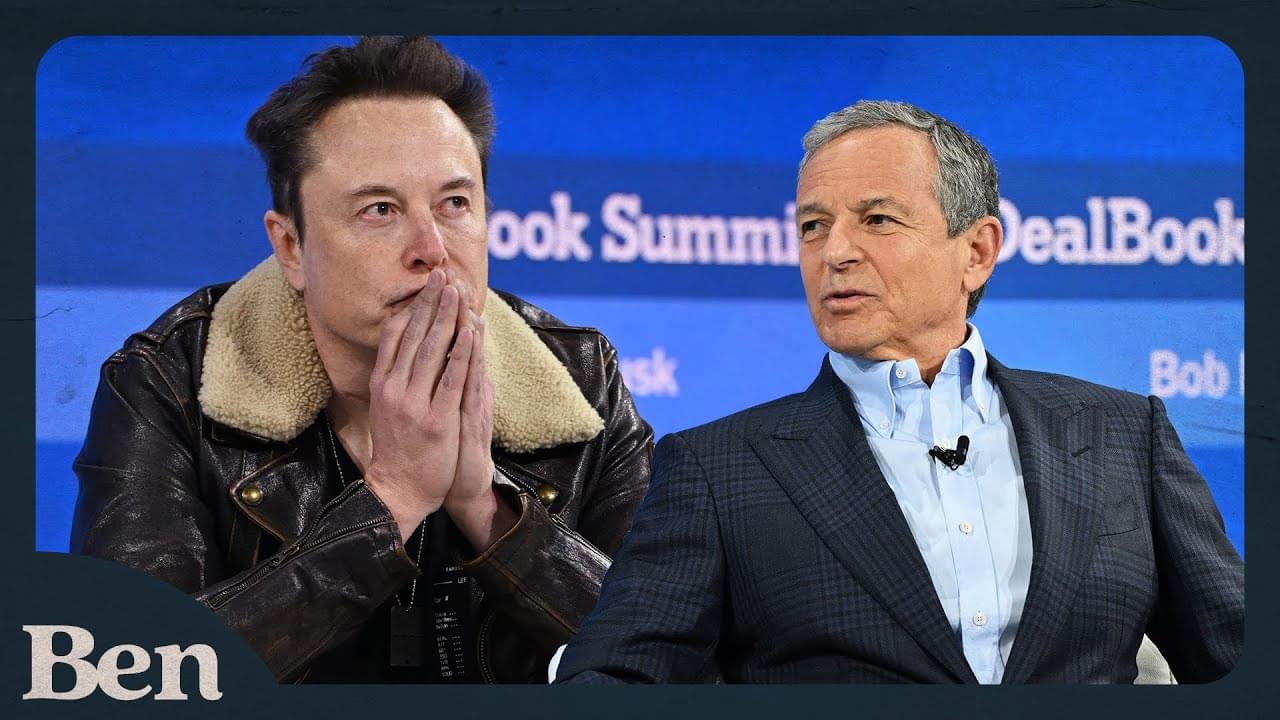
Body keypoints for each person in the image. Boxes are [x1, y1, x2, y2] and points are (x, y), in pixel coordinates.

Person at [554, 100, 1243, 684]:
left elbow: (1242, 665)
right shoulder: (718, 468)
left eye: (877, 219)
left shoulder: (1124, 434)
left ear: (977, 251)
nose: (835, 253)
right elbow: (613, 680)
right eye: (812, 226)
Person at [70, 36, 652, 684]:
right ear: (291, 247)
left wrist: (489, 512)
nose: (431, 248)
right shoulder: (168, 381)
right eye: (380, 210)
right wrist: (392, 501)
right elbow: (130, 674)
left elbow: (682, 663)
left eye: (455, 204)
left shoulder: (581, 381)